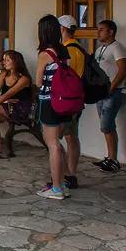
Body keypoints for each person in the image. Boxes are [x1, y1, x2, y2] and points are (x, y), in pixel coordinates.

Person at [36, 15, 73, 200]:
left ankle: (56, 187)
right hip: (64, 101)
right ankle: (63, 182)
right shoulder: (64, 52)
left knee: (52, 145)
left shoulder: (45, 54)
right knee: (58, 143)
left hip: (49, 101)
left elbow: (38, 81)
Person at [93, 19, 126, 172]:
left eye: (102, 29)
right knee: (106, 126)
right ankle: (110, 158)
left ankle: (113, 159)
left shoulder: (117, 48)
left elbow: (123, 70)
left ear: (110, 32)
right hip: (100, 93)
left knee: (106, 125)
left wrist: (111, 88)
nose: (98, 32)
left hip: (114, 92)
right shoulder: (100, 49)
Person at [58, 15, 85, 188]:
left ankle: (65, 174)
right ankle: (71, 173)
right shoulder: (79, 48)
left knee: (54, 138)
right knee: (72, 136)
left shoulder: (66, 50)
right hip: (77, 98)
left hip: (65, 99)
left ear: (61, 29)